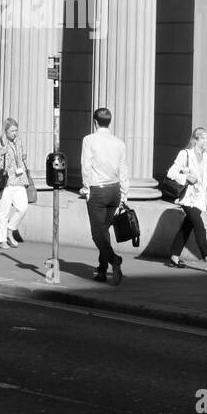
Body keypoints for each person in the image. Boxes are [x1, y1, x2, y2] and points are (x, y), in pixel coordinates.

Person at [164, 127, 207, 272]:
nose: (206, 141)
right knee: (199, 225)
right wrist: (186, 177)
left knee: (187, 226)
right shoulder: (185, 154)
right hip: (187, 198)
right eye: (203, 137)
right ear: (195, 140)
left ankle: (174, 257)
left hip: (199, 199)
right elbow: (171, 172)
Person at [81, 107, 129, 286]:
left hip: (98, 190)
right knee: (104, 230)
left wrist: (86, 188)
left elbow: (86, 165)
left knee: (96, 233)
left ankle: (114, 260)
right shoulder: (119, 143)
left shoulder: (89, 140)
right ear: (110, 122)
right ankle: (102, 270)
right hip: (114, 189)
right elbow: (123, 170)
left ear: (94, 122)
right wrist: (124, 194)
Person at [0, 118, 32, 249]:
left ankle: (10, 229)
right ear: (5, 131)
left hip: (19, 180)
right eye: (12, 131)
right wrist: (1, 152)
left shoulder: (18, 142)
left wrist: (22, 156)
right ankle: (3, 239)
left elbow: (17, 158)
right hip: (5, 181)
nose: (15, 133)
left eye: (16, 130)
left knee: (23, 207)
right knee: (4, 211)